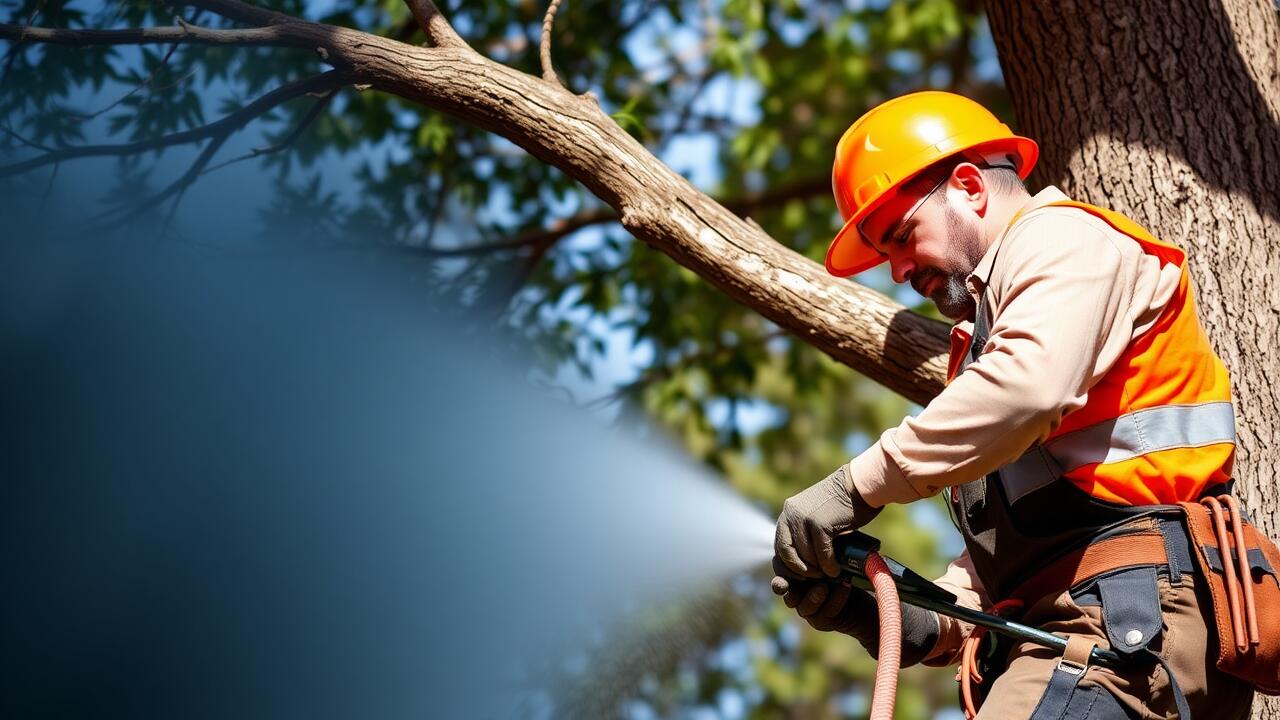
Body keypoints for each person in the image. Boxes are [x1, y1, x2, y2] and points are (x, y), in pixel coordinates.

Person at [770, 91, 1257, 719]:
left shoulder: (1062, 239)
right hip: (1098, 627)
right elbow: (1035, 529)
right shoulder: (995, 329)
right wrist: (927, 617)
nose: (895, 270)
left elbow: (1025, 388)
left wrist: (855, 486)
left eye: (900, 235)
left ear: (970, 187)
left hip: (1127, 625)